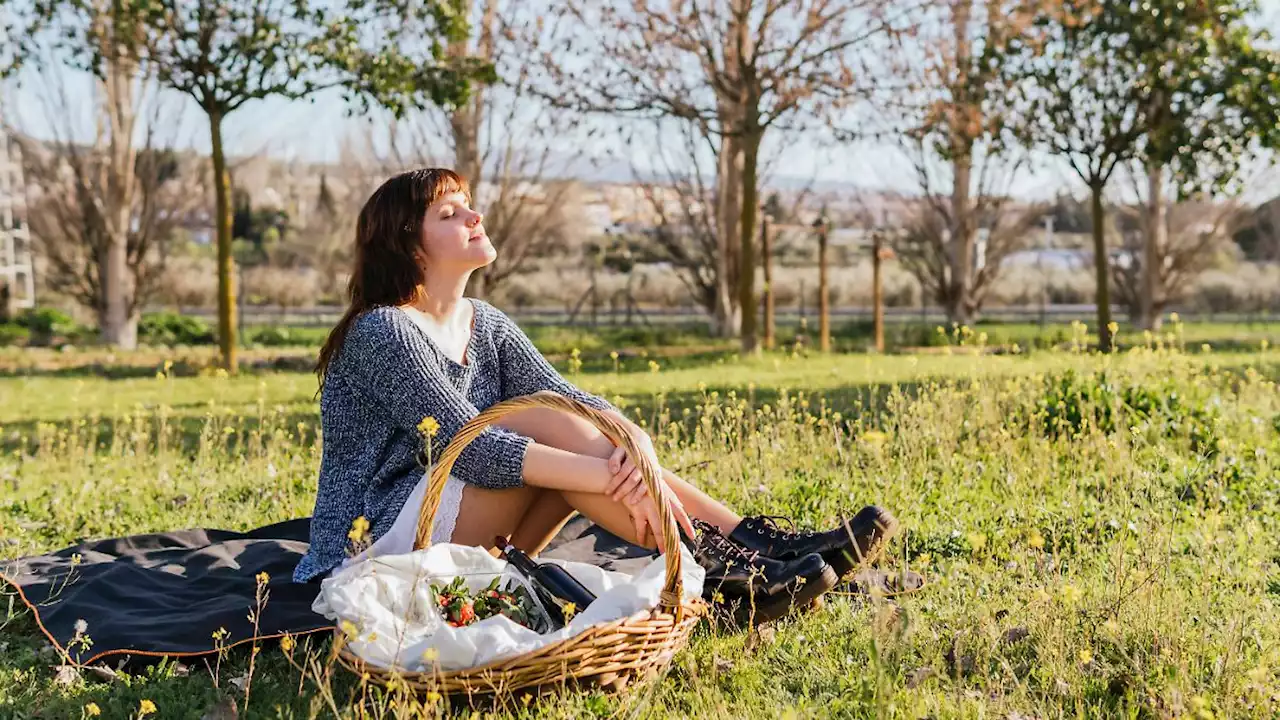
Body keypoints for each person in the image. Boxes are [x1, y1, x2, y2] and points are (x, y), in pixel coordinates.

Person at [294, 168, 899, 624]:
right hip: (374, 546)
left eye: (469, 206)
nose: (475, 217)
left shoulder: (485, 323)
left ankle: (751, 546)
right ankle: (719, 569)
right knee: (536, 425)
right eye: (451, 213)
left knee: (553, 416)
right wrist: (610, 473)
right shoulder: (384, 330)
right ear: (408, 242)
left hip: (466, 527)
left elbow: (570, 399)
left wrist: (634, 443)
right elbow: (470, 451)